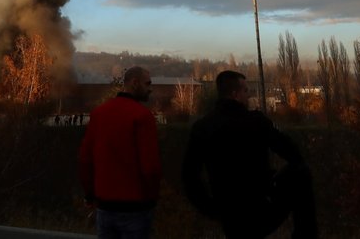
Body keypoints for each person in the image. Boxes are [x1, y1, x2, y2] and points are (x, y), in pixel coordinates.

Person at [182, 70, 317, 239]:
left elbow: (189, 176)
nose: (248, 95)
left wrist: (211, 209)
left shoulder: (202, 127)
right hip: (260, 210)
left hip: (229, 216)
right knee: (301, 173)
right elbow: (292, 152)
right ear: (235, 94)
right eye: (246, 90)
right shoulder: (255, 122)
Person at [78, 66, 161, 238]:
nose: (150, 88)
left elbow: (85, 159)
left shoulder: (99, 113)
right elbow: (150, 167)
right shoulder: (142, 116)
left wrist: (89, 195)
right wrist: (151, 199)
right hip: (135, 210)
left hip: (104, 208)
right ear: (135, 83)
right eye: (147, 83)